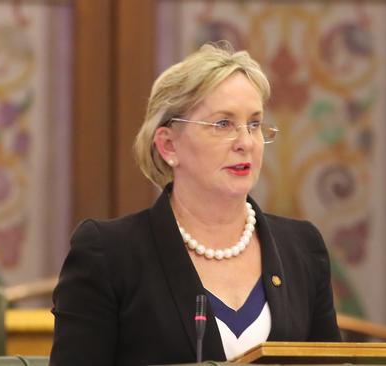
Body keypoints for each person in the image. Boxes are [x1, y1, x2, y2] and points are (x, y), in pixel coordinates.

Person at [50, 41, 341, 366]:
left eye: (255, 124)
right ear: (168, 145)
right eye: (223, 124)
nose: (245, 142)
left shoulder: (302, 248)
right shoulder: (109, 254)